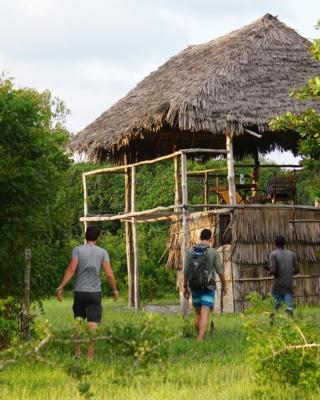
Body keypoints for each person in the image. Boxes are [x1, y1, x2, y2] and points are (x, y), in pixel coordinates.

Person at [56, 226, 118, 359]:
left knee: (78, 321)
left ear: (85, 235)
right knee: (93, 325)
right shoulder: (103, 253)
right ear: (98, 237)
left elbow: (72, 269)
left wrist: (61, 287)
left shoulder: (77, 250)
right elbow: (109, 274)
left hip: (80, 292)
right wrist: (114, 289)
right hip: (95, 293)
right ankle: (89, 358)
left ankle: (77, 354)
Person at [183, 229, 227, 340]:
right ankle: (200, 340)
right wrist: (224, 285)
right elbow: (220, 272)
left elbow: (186, 271)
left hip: (195, 286)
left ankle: (200, 337)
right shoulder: (213, 252)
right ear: (210, 238)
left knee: (198, 314)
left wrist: (185, 287)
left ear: (200, 237)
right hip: (208, 287)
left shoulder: (190, 251)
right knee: (205, 313)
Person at [268, 235, 299, 315]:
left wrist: (269, 272)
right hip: (288, 285)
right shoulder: (292, 254)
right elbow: (297, 270)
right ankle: (291, 325)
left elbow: (274, 270)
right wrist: (288, 273)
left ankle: (271, 324)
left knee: (275, 307)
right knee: (289, 307)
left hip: (278, 286)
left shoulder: (273, 254)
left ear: (275, 243)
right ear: (284, 243)